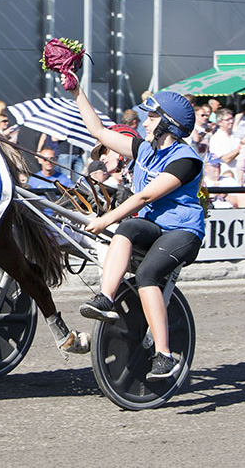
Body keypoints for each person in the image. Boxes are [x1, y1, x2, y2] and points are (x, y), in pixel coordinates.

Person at [67, 77, 204, 381]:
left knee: (146, 275)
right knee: (127, 229)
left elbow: (145, 196)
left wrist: (103, 220)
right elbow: (99, 132)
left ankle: (164, 356)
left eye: (152, 117)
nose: (145, 121)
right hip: (155, 227)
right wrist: (76, 91)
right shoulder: (144, 150)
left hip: (182, 232)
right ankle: (105, 297)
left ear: (168, 124)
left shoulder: (187, 161)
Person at [208, 107, 245, 179]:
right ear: (219, 122)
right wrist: (241, 147)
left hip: (242, 176)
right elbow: (225, 159)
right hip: (227, 176)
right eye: (227, 120)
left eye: (231, 118)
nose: (231, 121)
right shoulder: (216, 138)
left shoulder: (236, 135)